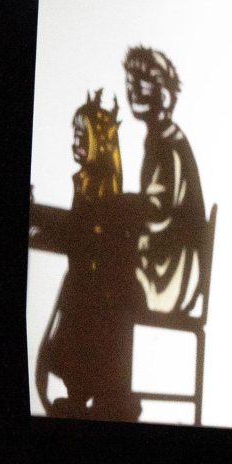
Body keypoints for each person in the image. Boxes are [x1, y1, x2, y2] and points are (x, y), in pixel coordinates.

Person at [43, 90, 142, 420]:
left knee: (82, 308)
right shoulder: (90, 179)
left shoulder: (99, 184)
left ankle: (88, 392)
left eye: (80, 135)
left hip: (102, 288)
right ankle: (81, 391)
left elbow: (84, 229)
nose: (75, 142)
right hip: (93, 281)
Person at [123, 46, 206, 314]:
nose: (133, 87)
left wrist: (120, 204)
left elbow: (157, 213)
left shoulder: (168, 146)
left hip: (170, 275)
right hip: (165, 264)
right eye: (130, 80)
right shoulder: (160, 138)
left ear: (166, 95)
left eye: (143, 81)